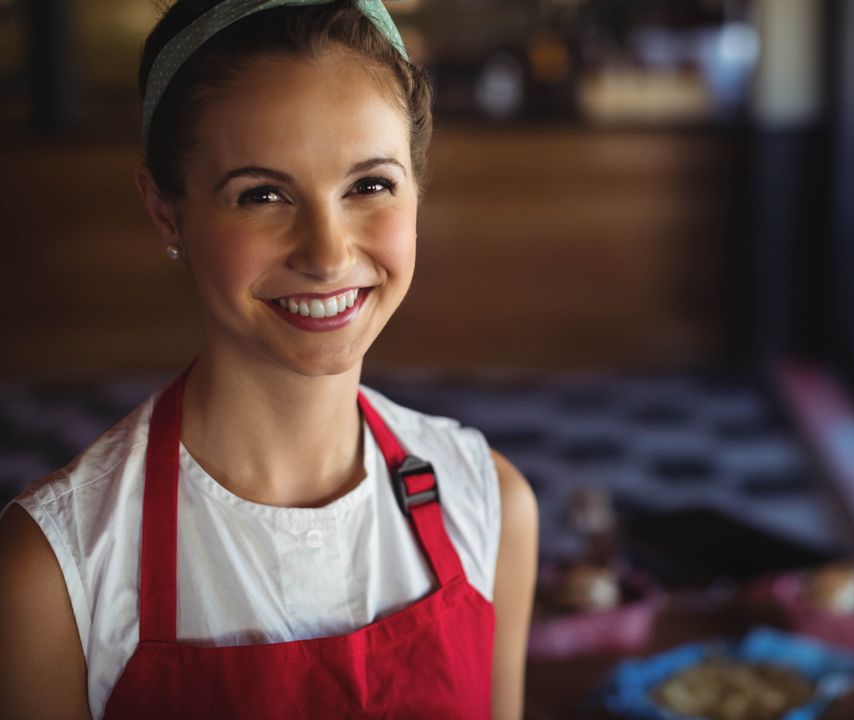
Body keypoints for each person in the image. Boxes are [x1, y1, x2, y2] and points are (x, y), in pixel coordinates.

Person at [0, 1, 539, 718]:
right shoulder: (51, 573)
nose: (326, 254)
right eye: (261, 194)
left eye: (369, 185)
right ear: (167, 212)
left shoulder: (489, 502)